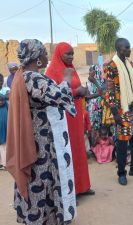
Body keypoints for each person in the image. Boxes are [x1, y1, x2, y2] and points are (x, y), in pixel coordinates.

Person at [6, 39, 76, 224]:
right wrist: (67, 78)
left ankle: (32, 215)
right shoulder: (33, 78)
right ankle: (42, 218)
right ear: (37, 58)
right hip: (41, 141)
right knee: (43, 178)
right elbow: (59, 97)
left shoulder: (22, 76)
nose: (47, 57)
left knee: (36, 178)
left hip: (32, 136)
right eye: (44, 53)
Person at [46, 42, 94, 195]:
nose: (71, 56)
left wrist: (83, 91)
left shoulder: (71, 68)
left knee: (79, 149)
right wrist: (75, 92)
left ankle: (82, 186)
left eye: (72, 53)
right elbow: (53, 94)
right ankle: (70, 192)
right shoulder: (52, 71)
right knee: (67, 151)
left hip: (75, 114)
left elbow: (75, 86)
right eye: (68, 54)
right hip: (63, 117)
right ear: (60, 53)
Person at [104, 38, 133, 186]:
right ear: (118, 49)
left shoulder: (129, 64)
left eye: (129, 47)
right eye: (126, 48)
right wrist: (115, 113)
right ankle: (121, 173)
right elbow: (109, 90)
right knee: (123, 143)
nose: (129, 50)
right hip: (121, 109)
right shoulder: (112, 66)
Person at [86, 64, 105, 130]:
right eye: (89, 70)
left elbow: (101, 92)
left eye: (91, 70)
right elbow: (87, 96)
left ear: (96, 71)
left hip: (99, 106)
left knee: (99, 126)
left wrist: (95, 81)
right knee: (93, 126)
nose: (89, 72)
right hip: (92, 107)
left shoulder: (101, 81)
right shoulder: (88, 80)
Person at [0, 95, 8, 170]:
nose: (1, 102)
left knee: (4, 147)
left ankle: (4, 164)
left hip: (5, 131)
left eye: (2, 100)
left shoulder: (6, 106)